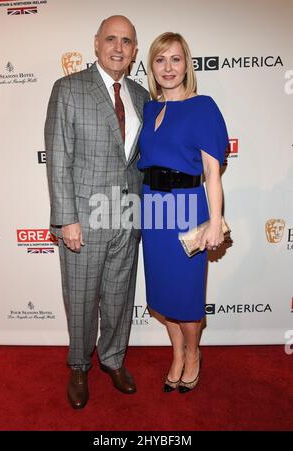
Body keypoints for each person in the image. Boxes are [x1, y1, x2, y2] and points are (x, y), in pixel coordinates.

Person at [45, 15, 150, 409]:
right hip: (84, 220)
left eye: (126, 41)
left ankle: (113, 360)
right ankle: (78, 365)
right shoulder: (69, 89)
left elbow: (139, 160)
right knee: (82, 296)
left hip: (128, 216)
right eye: (111, 39)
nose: (118, 47)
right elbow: (58, 159)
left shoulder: (140, 95)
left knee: (120, 296)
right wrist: (65, 219)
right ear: (96, 43)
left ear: (135, 49)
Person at [138, 32, 229, 393]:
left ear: (186, 64)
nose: (168, 68)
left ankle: (193, 353)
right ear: (152, 67)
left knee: (186, 295)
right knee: (163, 295)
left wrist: (214, 221)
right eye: (160, 60)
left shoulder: (203, 106)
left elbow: (212, 175)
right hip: (152, 209)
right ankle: (175, 353)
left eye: (175, 59)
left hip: (188, 209)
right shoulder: (149, 107)